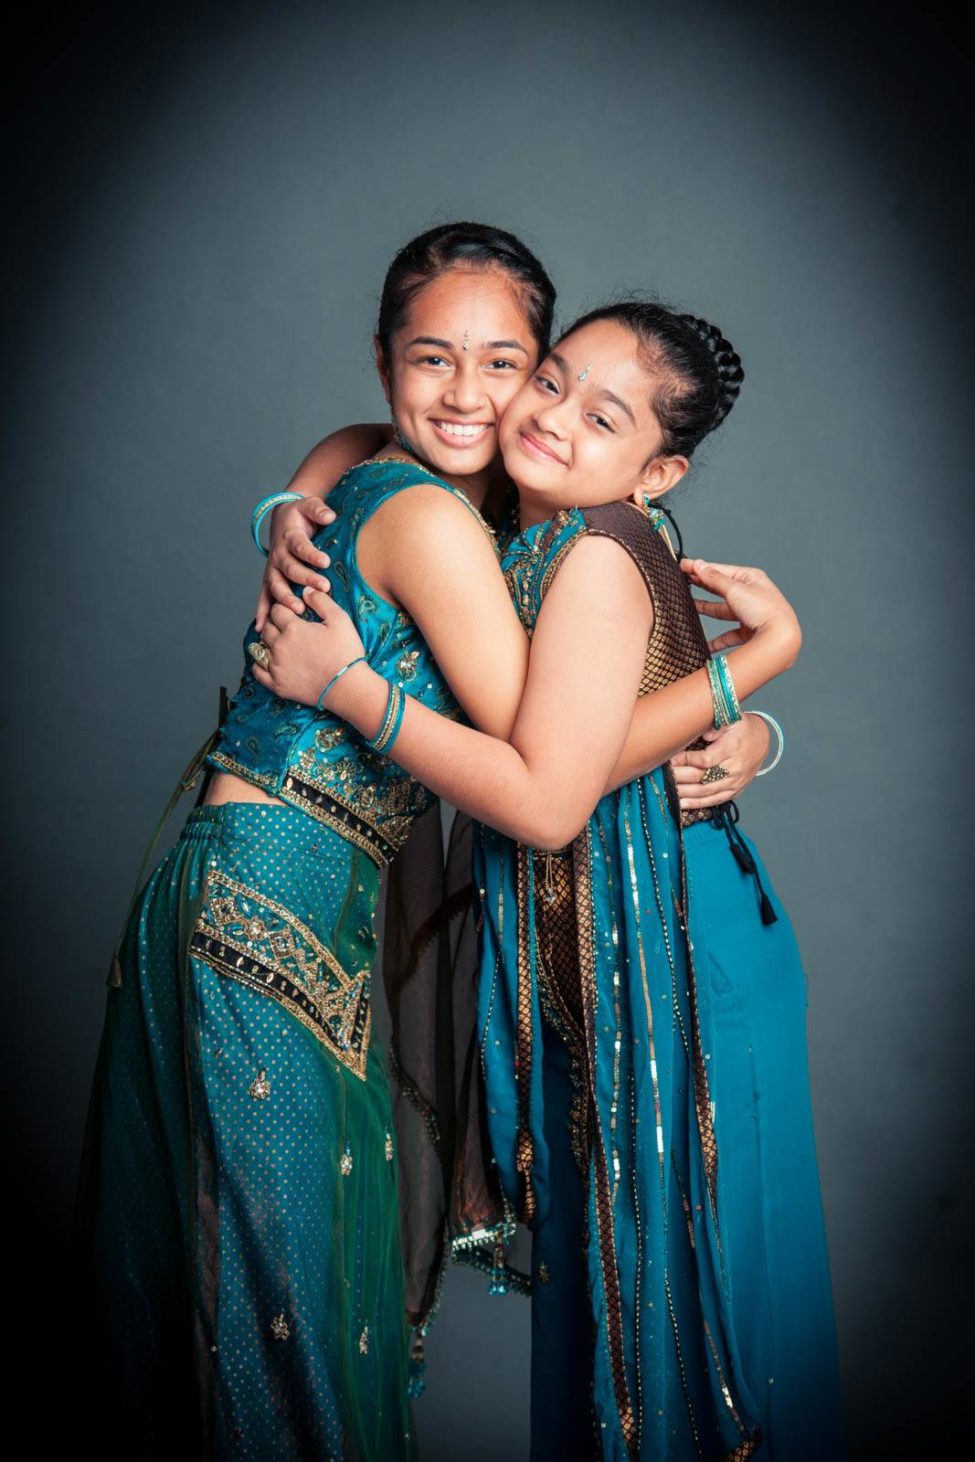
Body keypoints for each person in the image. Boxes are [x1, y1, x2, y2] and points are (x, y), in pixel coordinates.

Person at [251, 299, 845, 1459]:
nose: (554, 418)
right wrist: (285, 505)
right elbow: (362, 439)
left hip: (677, 967)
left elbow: (547, 792)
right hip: (599, 972)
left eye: (604, 415)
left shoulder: (592, 553)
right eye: (554, 379)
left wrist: (354, 691)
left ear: (657, 470)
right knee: (613, 1322)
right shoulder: (508, 522)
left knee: (692, 1320)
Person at [74, 222, 562, 1459]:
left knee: (272, 1291)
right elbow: (541, 770)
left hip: (256, 892)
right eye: (430, 358)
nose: (464, 394)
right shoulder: (437, 525)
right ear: (385, 358)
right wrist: (736, 695)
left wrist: (284, 498)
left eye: (502, 363)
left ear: (543, 371)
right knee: (279, 1308)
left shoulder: (386, 470)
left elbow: (339, 454)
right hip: (272, 905)